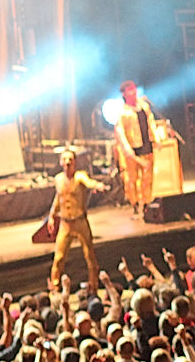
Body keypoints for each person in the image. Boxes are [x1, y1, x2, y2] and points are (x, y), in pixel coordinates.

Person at [46, 149, 107, 294]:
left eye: (70, 160)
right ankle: (55, 287)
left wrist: (98, 185)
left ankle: (94, 284)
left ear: (75, 162)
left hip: (80, 222)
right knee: (59, 257)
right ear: (60, 162)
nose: (67, 163)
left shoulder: (80, 176)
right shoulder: (59, 179)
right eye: (65, 159)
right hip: (65, 224)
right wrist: (51, 216)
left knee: (89, 255)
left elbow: (89, 182)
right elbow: (58, 199)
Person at [114, 80, 158, 216]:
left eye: (134, 89)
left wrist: (156, 138)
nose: (133, 92)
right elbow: (120, 133)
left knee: (148, 177)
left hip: (146, 144)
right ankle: (135, 203)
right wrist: (127, 149)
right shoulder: (123, 112)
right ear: (124, 94)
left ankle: (147, 202)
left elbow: (151, 121)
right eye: (130, 90)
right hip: (133, 149)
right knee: (133, 178)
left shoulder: (144, 106)